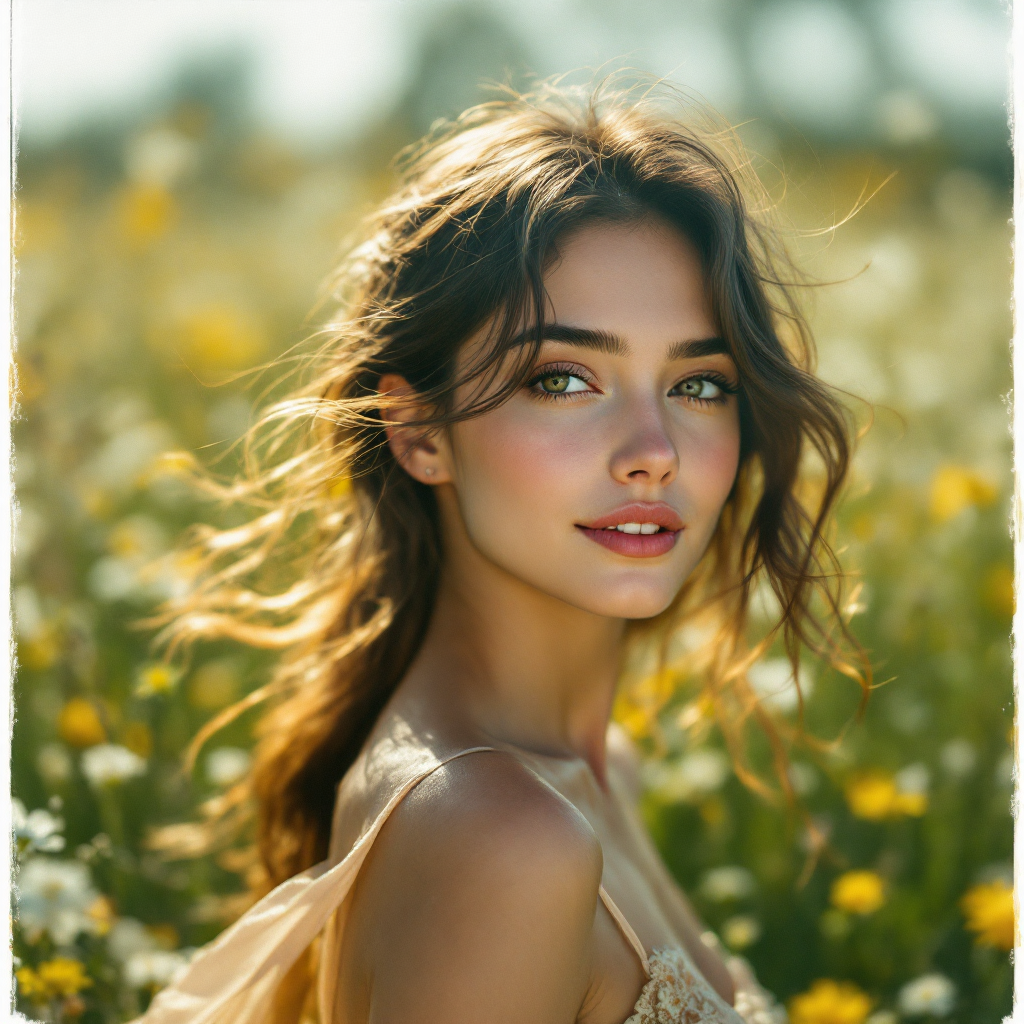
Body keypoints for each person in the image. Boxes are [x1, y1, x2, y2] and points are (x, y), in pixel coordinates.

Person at [136, 80, 866, 1024]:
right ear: (419, 430)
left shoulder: (590, 770)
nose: (653, 451)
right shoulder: (502, 839)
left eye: (698, 384)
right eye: (563, 379)